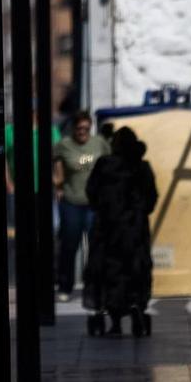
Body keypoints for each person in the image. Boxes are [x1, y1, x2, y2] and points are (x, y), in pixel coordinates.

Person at [85, 127, 159, 336]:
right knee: (136, 271)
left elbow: (91, 192)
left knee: (108, 273)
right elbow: (152, 198)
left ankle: (114, 322)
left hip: (107, 231)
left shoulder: (104, 165)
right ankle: (137, 308)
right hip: (135, 232)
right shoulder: (142, 167)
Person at [51, 112, 109, 299]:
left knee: (96, 246)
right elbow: (54, 162)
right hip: (72, 202)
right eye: (79, 128)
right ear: (74, 128)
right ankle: (65, 286)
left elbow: (110, 163)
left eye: (86, 128)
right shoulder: (64, 145)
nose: (83, 132)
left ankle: (94, 286)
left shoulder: (99, 144)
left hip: (94, 204)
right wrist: (58, 183)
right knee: (69, 245)